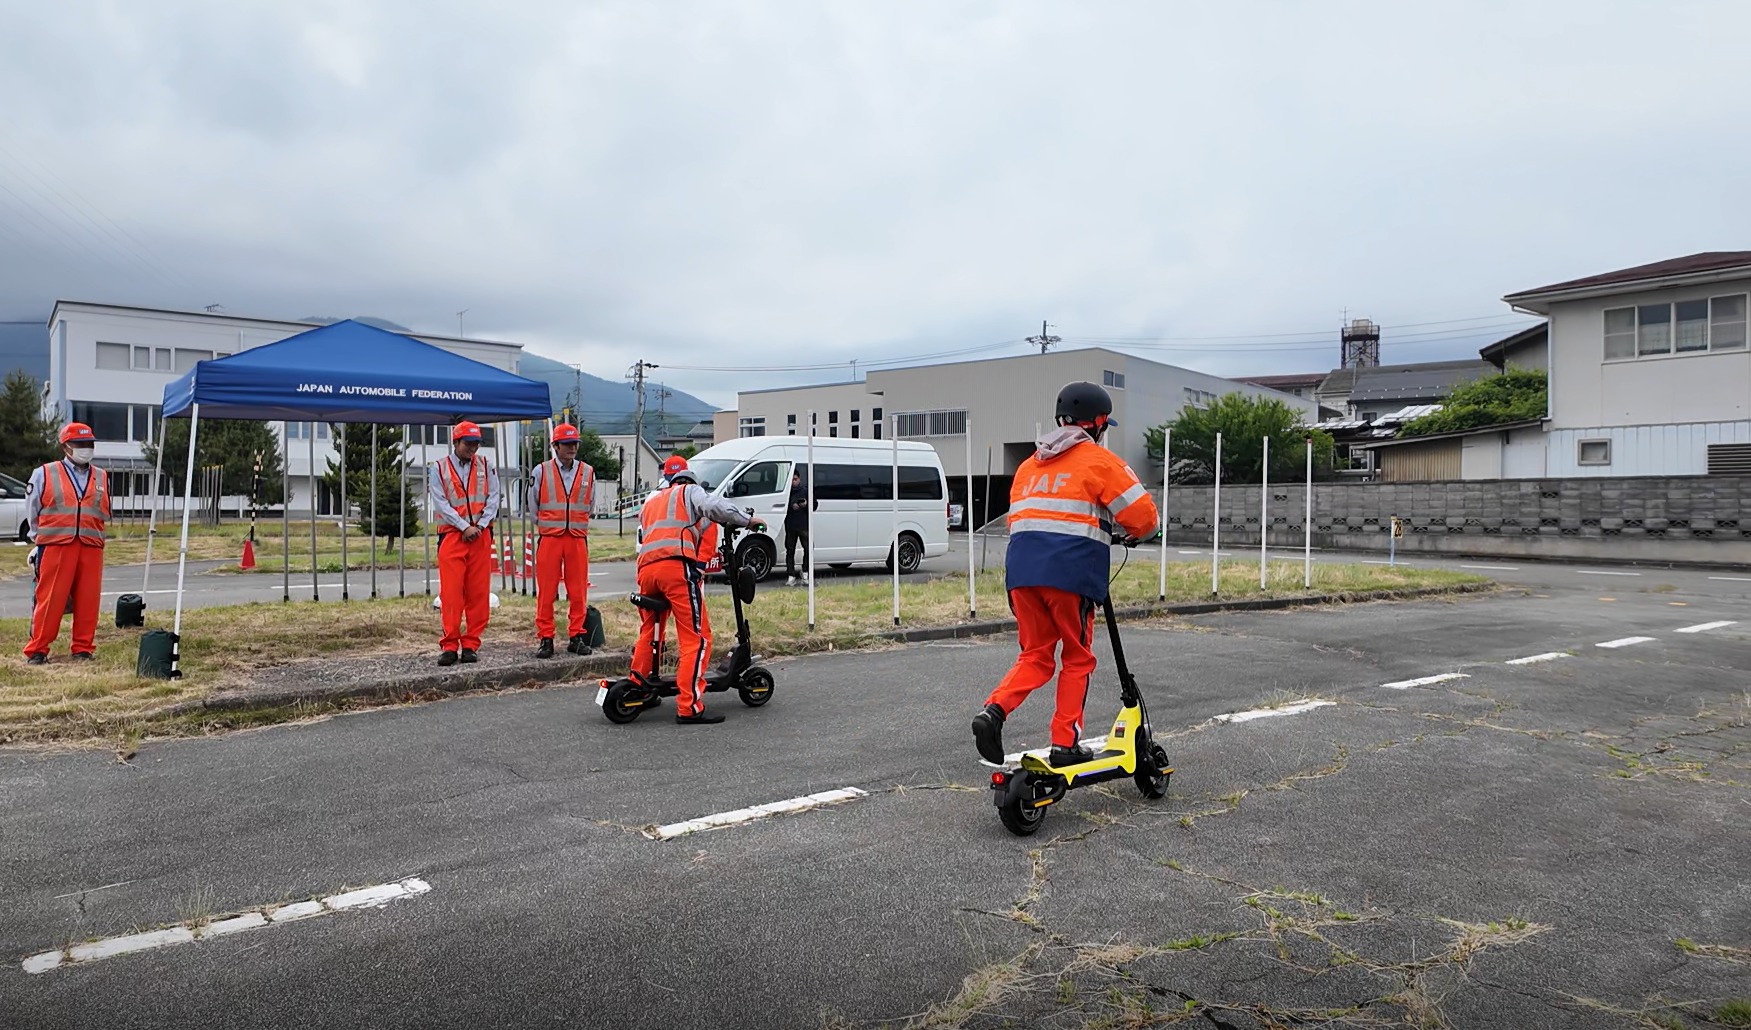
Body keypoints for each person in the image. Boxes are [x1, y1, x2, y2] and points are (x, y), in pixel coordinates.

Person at [971, 383, 1160, 766]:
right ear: (1100, 422)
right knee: (1077, 658)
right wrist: (1139, 534)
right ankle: (1064, 743)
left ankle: (994, 710)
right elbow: (1143, 517)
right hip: (1070, 574)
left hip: (1022, 574)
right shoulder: (1099, 460)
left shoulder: (1028, 465)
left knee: (1036, 656)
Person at [630, 456, 764, 725]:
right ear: (691, 479)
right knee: (696, 637)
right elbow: (714, 507)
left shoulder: (653, 501)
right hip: (675, 568)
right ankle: (689, 706)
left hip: (646, 571)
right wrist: (748, 521)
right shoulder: (690, 492)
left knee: (650, 631)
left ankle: (638, 689)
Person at [23, 423, 109, 664]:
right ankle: (38, 650)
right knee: (51, 598)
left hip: (91, 545)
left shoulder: (102, 476)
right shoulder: (45, 473)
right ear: (66, 447)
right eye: (81, 444)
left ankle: (83, 648)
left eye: (89, 444)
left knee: (88, 600)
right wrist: (36, 538)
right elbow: (33, 509)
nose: (86, 448)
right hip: (56, 544)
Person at [428, 421, 500, 666]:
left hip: (480, 535)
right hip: (452, 535)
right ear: (456, 442)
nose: (473, 448)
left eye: (476, 443)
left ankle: (471, 644)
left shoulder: (487, 466)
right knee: (451, 593)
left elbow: (494, 498)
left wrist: (479, 526)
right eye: (468, 443)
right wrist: (463, 527)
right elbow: (440, 502)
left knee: (479, 593)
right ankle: (449, 645)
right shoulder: (438, 468)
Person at [530, 424, 594, 659]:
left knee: (578, 591)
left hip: (577, 537)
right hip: (550, 537)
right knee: (547, 591)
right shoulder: (541, 471)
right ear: (555, 446)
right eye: (567, 444)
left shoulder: (588, 472)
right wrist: (547, 524)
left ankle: (576, 636)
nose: (572, 448)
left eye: (575, 443)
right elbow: (533, 504)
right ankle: (546, 638)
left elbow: (590, 504)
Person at [784, 469, 810, 586]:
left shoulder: (805, 491)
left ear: (799, 479)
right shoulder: (786, 492)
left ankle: (805, 572)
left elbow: (814, 505)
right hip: (790, 525)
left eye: (795, 479)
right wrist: (791, 505)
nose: (794, 482)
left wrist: (805, 505)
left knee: (808, 549)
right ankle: (791, 575)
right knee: (790, 550)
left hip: (804, 525)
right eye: (792, 480)